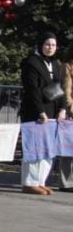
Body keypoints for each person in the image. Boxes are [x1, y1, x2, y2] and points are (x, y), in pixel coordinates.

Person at [20, 31, 67, 195]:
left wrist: (62, 108)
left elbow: (58, 87)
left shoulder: (55, 64)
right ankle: (29, 182)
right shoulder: (31, 63)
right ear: (40, 45)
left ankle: (40, 180)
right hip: (35, 113)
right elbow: (32, 90)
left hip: (52, 113)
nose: (50, 48)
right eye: (47, 44)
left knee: (48, 149)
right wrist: (40, 111)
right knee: (34, 148)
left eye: (53, 45)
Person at [58, 44, 73, 192]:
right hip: (71, 111)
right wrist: (70, 107)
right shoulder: (67, 66)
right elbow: (66, 90)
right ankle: (67, 183)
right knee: (68, 149)